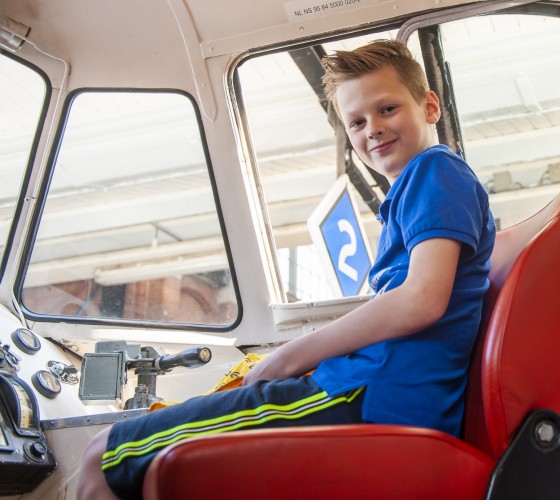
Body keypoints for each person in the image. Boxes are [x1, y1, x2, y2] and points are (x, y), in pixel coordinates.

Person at [77, 39, 495, 500]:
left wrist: (290, 356)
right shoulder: (420, 189)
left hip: (367, 394)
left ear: (430, 106)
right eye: (357, 122)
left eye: (388, 109)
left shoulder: (434, 171)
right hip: (367, 389)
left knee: (102, 455)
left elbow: (421, 300)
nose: (373, 128)